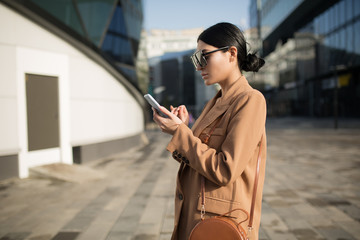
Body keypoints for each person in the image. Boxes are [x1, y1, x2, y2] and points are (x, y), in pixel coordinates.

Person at [152, 22, 267, 240]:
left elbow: (225, 170)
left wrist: (180, 134)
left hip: (222, 224)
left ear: (231, 53)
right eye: (195, 59)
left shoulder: (250, 100)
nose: (198, 66)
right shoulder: (214, 103)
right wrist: (183, 128)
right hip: (198, 219)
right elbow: (199, 160)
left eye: (204, 57)